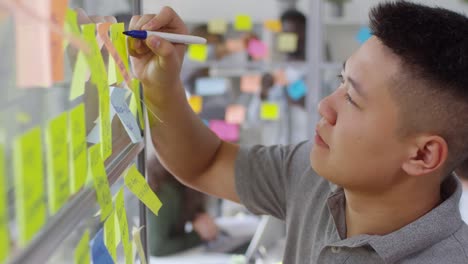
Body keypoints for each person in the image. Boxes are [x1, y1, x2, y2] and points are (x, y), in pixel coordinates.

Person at [127, 1, 468, 263]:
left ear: (423, 154)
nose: (324, 105)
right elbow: (205, 162)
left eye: (352, 97)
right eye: (341, 81)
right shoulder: (312, 173)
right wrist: (162, 86)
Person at [146, 156, 219, 256]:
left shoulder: (185, 185)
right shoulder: (166, 193)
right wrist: (198, 236)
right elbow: (157, 248)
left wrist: (205, 223)